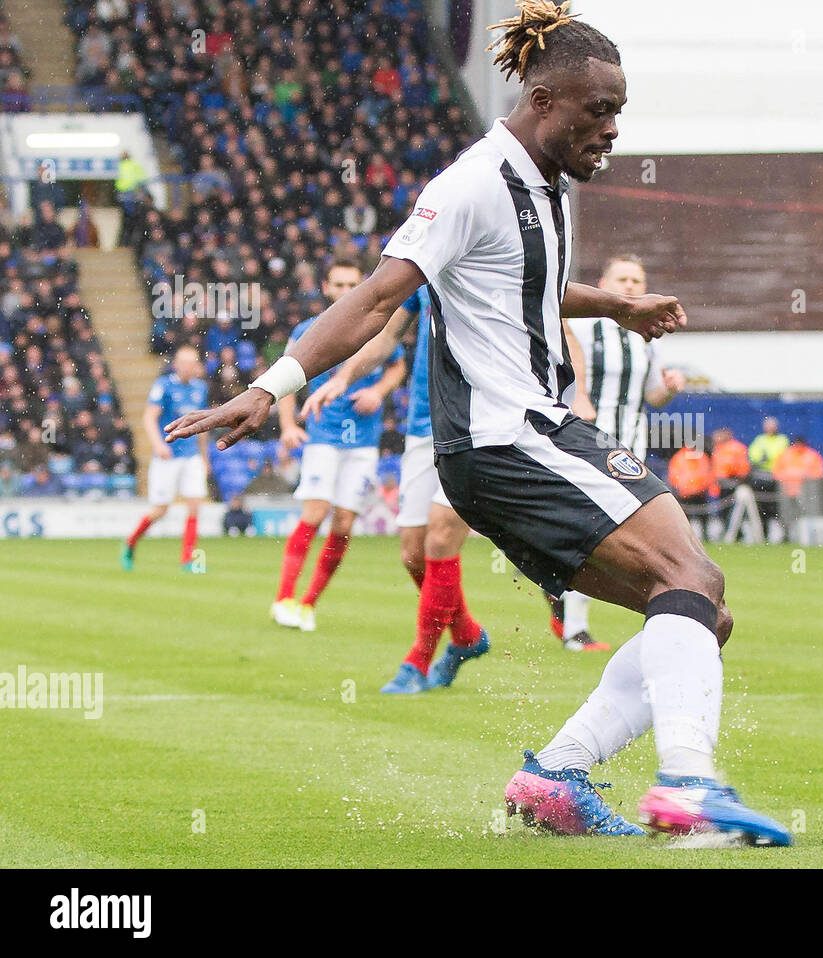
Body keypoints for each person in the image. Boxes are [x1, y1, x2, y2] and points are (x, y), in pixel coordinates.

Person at [164, 0, 789, 847]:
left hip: (528, 430)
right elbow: (376, 295)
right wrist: (271, 385)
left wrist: (613, 306)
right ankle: (688, 787)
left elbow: (526, 284)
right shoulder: (468, 185)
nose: (611, 129)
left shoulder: (549, 186)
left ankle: (557, 777)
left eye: (619, 112)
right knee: (684, 575)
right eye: (597, 111)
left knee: (699, 609)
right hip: (508, 435)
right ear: (542, 103)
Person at [299, 285, 490, 693]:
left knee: (441, 537)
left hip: (481, 421)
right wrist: (345, 378)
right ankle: (467, 636)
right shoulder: (425, 268)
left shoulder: (495, 259)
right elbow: (386, 337)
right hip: (424, 423)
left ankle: (417, 663)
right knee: (413, 554)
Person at [548, 252, 686, 651]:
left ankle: (570, 602)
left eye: (637, 281)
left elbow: (651, 397)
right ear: (603, 285)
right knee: (595, 530)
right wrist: (581, 399)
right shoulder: (585, 325)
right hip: (589, 438)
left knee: (628, 532)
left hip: (631, 443)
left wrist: (670, 389)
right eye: (622, 279)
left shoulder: (645, 336)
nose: (630, 287)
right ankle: (574, 627)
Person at [270, 259, 407, 633]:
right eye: (338, 285)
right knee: (315, 514)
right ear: (327, 288)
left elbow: (397, 366)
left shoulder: (377, 327)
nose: (345, 292)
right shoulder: (307, 329)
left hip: (364, 441)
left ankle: (309, 603)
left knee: (344, 525)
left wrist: (378, 391)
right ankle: (284, 598)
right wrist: (286, 425)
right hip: (324, 436)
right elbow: (284, 376)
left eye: (352, 285)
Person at [121, 345, 208, 571]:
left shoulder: (201, 389)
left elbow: (202, 427)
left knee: (195, 505)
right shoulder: (164, 386)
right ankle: (130, 542)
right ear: (176, 364)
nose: (190, 368)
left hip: (191, 456)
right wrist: (159, 445)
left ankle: (188, 560)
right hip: (168, 456)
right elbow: (149, 418)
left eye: (193, 363)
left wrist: (205, 458)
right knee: (161, 510)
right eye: (186, 363)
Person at [748, 416, 788, 540]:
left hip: (775, 478)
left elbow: (781, 455)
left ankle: (782, 535)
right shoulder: (760, 439)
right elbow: (753, 454)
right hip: (760, 478)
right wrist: (761, 458)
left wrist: (768, 458)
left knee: (776, 509)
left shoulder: (782, 439)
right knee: (761, 508)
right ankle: (763, 535)